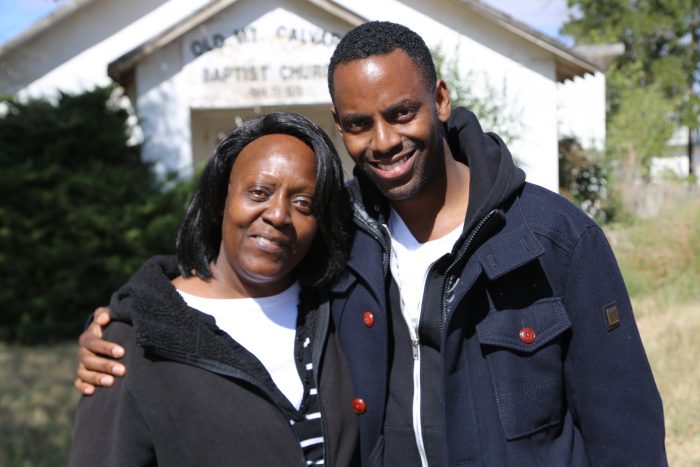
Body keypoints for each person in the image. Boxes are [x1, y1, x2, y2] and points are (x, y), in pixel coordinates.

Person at [75, 21, 667, 466]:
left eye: (401, 113)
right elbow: (237, 262)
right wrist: (129, 314)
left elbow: (626, 432)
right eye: (359, 124)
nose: (383, 141)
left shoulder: (553, 238)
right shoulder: (342, 236)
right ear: (341, 127)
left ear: (439, 101)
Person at [69, 112, 359, 466]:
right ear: (222, 198)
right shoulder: (132, 340)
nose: (279, 215)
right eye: (259, 192)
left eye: (303, 204)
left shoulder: (340, 311)